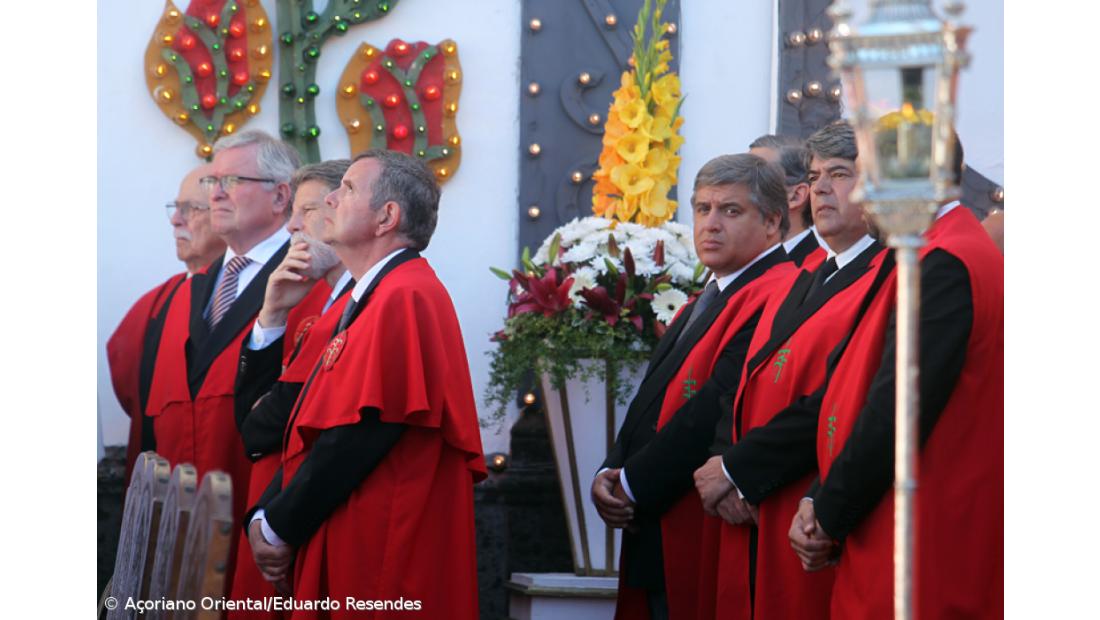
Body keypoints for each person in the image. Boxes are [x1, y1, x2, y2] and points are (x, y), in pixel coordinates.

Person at [245, 149, 486, 619]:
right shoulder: (373, 295)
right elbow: (314, 431)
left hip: (383, 555)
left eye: (349, 188)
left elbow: (360, 432)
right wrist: (266, 513)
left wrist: (278, 525)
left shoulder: (405, 295)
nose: (331, 199)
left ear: (387, 217)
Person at [790, 137, 1003, 619]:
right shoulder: (944, 250)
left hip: (922, 533)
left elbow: (898, 411)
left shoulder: (944, 263)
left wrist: (828, 515)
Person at [692, 121, 891, 619]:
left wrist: (740, 470)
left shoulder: (881, 276)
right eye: (817, 174)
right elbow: (742, 379)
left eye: (840, 174)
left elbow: (840, 397)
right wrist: (725, 463)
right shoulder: (806, 275)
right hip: (755, 500)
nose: (821, 188)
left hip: (805, 500)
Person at [592, 154, 796, 620]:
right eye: (702, 209)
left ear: (772, 222)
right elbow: (652, 398)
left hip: (696, 519)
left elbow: (713, 408)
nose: (710, 224)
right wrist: (611, 467)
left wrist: (631, 482)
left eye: (730, 210)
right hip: (657, 511)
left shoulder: (777, 292)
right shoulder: (709, 294)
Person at [144, 129, 299, 594]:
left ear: (280, 196)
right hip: (182, 529)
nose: (215, 194)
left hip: (260, 525)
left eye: (232, 180)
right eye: (213, 181)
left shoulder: (307, 282)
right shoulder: (191, 291)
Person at [228, 159, 353, 617]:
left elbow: (267, 426)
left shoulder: (355, 308)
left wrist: (273, 524)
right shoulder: (320, 303)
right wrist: (272, 316)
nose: (294, 226)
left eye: (308, 210)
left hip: (310, 520)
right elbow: (251, 424)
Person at [106, 164, 225, 483]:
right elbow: (126, 380)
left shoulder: (270, 292)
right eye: (176, 208)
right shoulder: (154, 306)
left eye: (192, 209)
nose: (176, 220)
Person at [749, 135, 824, 268]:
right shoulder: (736, 261)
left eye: (757, 178)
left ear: (796, 195)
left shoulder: (815, 272)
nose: (738, 189)